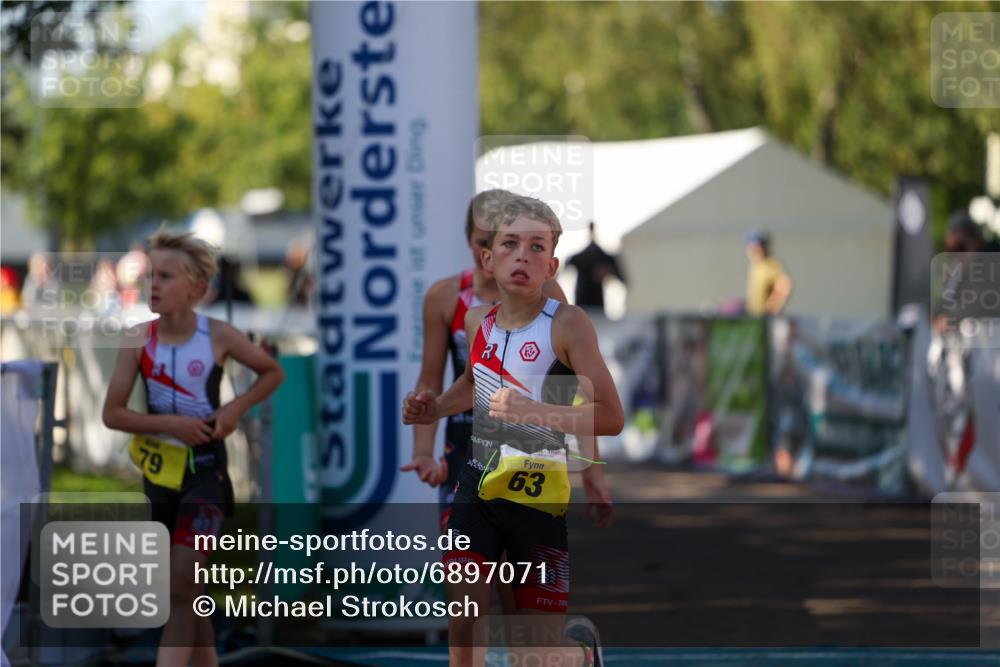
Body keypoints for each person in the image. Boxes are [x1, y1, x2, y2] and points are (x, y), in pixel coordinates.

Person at [404, 195, 622, 667]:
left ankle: (582, 656)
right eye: (509, 244)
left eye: (536, 247)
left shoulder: (567, 322)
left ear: (552, 264)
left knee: (534, 656)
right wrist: (433, 408)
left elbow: (609, 414)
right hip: (477, 484)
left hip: (538, 493)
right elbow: (469, 384)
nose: (522, 255)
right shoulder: (474, 319)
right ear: (486, 255)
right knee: (463, 607)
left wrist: (536, 414)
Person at [103, 229, 284, 667]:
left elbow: (271, 372)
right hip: (159, 476)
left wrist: (234, 410)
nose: (153, 286)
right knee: (187, 590)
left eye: (165, 277)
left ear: (197, 289)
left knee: (182, 583)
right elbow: (113, 413)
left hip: (205, 472)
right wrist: (172, 425)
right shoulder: (136, 339)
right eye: (151, 276)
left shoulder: (219, 334)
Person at [566, 222, 625, 316]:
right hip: (584, 304)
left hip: (595, 305)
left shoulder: (601, 257)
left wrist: (609, 272)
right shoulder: (585, 257)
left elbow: (623, 279)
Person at [744, 229, 792, 316]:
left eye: (759, 246)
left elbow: (785, 286)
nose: (755, 250)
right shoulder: (755, 265)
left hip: (764, 318)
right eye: (752, 247)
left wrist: (771, 308)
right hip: (754, 316)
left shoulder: (770, 265)